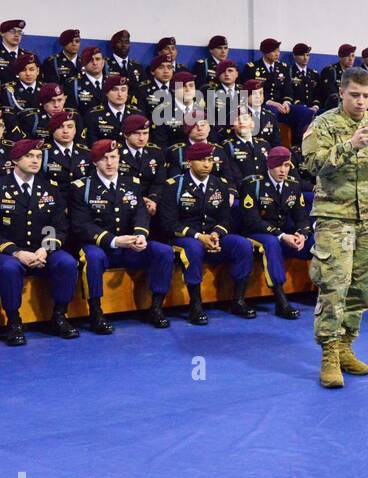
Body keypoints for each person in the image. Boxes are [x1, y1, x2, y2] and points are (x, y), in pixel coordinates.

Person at [301, 67, 368, 387]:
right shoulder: (324, 124)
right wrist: (350, 145)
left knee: (363, 286)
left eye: (366, 96)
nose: (361, 102)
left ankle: (346, 345)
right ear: (342, 92)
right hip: (335, 216)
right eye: (355, 95)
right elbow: (311, 165)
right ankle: (329, 354)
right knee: (334, 285)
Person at [69, 139, 174, 332]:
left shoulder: (132, 183)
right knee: (92, 257)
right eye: (104, 158)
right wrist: (114, 241)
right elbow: (81, 225)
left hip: (131, 244)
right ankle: (96, 313)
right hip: (101, 245)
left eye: (114, 157)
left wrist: (140, 235)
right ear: (94, 162)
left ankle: (156, 307)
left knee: (164, 252)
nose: (110, 163)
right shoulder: (81, 187)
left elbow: (141, 213)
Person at [156, 140, 257, 324]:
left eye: (210, 160)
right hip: (185, 237)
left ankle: (239, 300)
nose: (206, 164)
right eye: (201, 160)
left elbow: (226, 220)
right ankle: (195, 305)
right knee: (193, 248)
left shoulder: (220, 184)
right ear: (189, 162)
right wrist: (198, 236)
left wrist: (216, 234)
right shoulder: (174, 185)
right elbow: (168, 224)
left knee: (242, 245)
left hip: (213, 236)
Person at [0, 139, 81, 344]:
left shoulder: (50, 188)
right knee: (9, 269)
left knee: (67, 263)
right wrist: (17, 252)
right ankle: (14, 322)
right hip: (10, 252)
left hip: (43, 251)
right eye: (29, 156)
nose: (35, 160)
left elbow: (60, 227)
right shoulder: (2, 187)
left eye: (38, 156)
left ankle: (59, 316)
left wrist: (44, 250)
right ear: (16, 159)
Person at [238, 146, 312, 319]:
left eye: (286, 166)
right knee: (271, 243)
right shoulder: (253, 185)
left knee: (316, 241)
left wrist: (302, 234)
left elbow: (302, 217)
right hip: (256, 232)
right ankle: (281, 300)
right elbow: (252, 221)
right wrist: (281, 235)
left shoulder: (293, 185)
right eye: (278, 165)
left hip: (284, 233)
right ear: (269, 165)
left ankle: (325, 291)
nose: (283, 170)